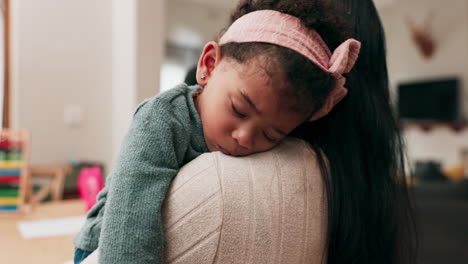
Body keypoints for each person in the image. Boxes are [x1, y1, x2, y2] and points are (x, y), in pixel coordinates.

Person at [73, 0, 412, 263]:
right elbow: (131, 212)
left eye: (271, 135)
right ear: (207, 66)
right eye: (238, 110)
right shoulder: (160, 119)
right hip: (103, 244)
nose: (245, 138)